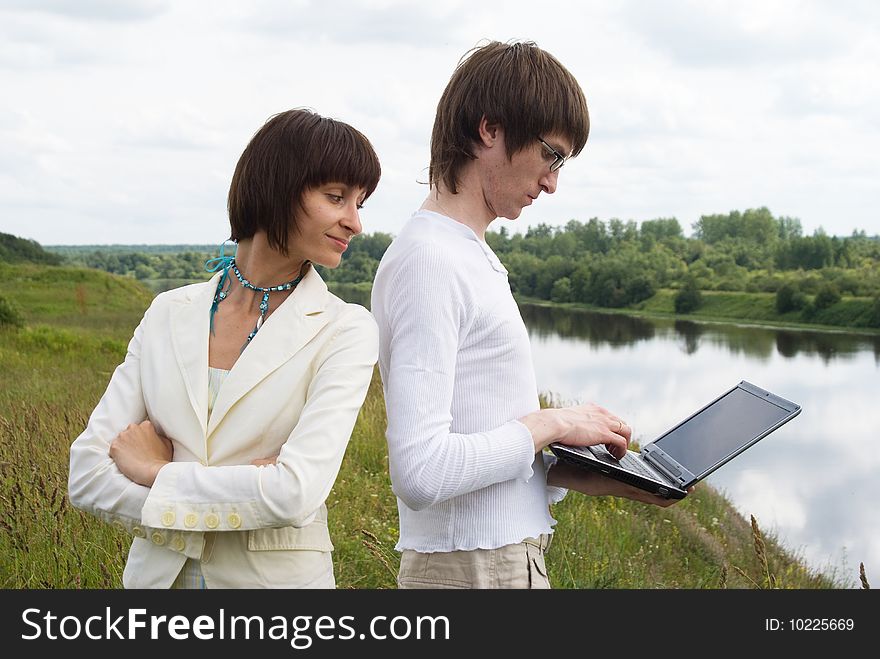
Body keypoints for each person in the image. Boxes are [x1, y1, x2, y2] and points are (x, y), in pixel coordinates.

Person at [371, 40, 685, 590]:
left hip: (501, 559)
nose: (553, 181)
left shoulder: (469, 255)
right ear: (489, 130)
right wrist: (553, 422)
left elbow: (485, 444)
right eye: (551, 155)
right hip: (470, 569)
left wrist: (588, 470)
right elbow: (420, 473)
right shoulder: (430, 260)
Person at [69, 108, 381, 588]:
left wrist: (154, 470)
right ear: (278, 186)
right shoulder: (167, 313)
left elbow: (293, 494)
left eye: (360, 203)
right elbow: (87, 474)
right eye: (336, 197)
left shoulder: (347, 330)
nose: (354, 222)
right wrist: (242, 492)